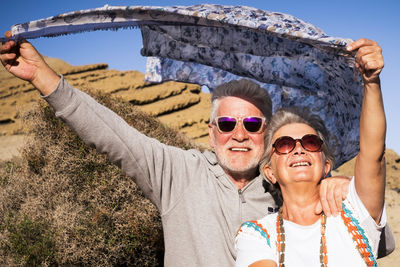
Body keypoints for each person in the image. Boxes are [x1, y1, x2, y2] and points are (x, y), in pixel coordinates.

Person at [0, 32, 392, 266]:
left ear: (266, 142)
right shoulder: (176, 172)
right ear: (210, 132)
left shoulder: (281, 187)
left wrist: (333, 181)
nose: (239, 134)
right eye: (226, 123)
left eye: (253, 124)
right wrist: (42, 76)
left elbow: (375, 237)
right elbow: (109, 133)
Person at [235, 39, 388, 266]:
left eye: (310, 142)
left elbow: (373, 152)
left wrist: (371, 81)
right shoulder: (256, 234)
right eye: (285, 144)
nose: (299, 149)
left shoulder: (356, 210)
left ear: (326, 165)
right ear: (270, 172)